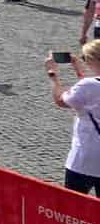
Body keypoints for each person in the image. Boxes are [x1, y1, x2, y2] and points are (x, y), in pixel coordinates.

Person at [47, 40, 100, 195]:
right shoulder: (88, 85)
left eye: (85, 58)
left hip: (84, 159)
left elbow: (61, 100)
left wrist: (53, 75)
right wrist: (79, 70)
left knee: (73, 208)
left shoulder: (88, 86)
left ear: (93, 59)